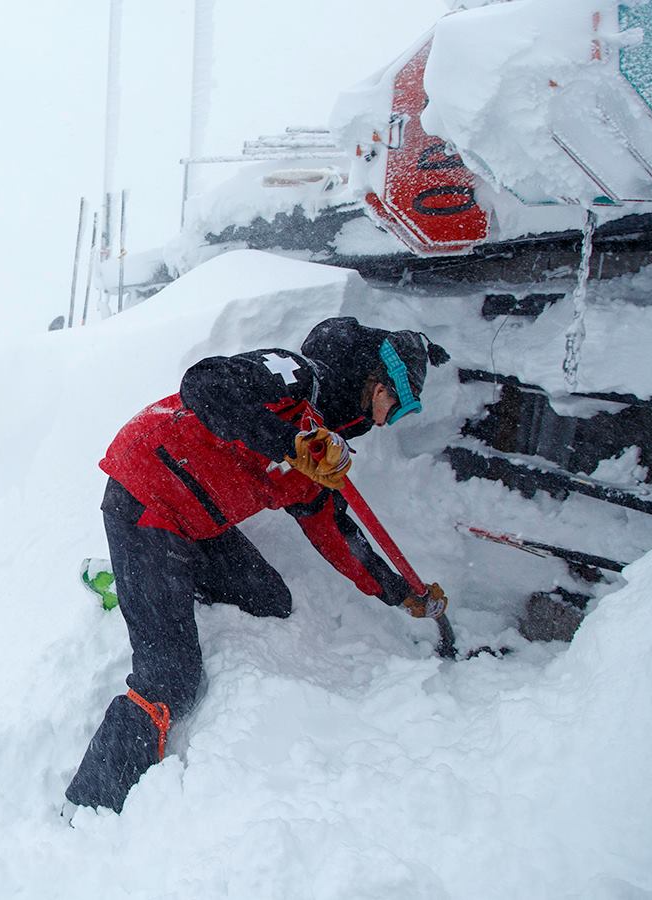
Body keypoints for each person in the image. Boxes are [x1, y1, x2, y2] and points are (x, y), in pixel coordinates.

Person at [63, 316, 451, 815]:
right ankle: (90, 803)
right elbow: (204, 385)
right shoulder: (293, 375)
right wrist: (289, 442)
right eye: (392, 405)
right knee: (171, 677)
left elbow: (337, 534)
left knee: (268, 599)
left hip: (196, 523)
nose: (383, 422)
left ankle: (141, 583)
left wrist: (399, 592)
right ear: (375, 381)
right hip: (147, 495)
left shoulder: (323, 451)